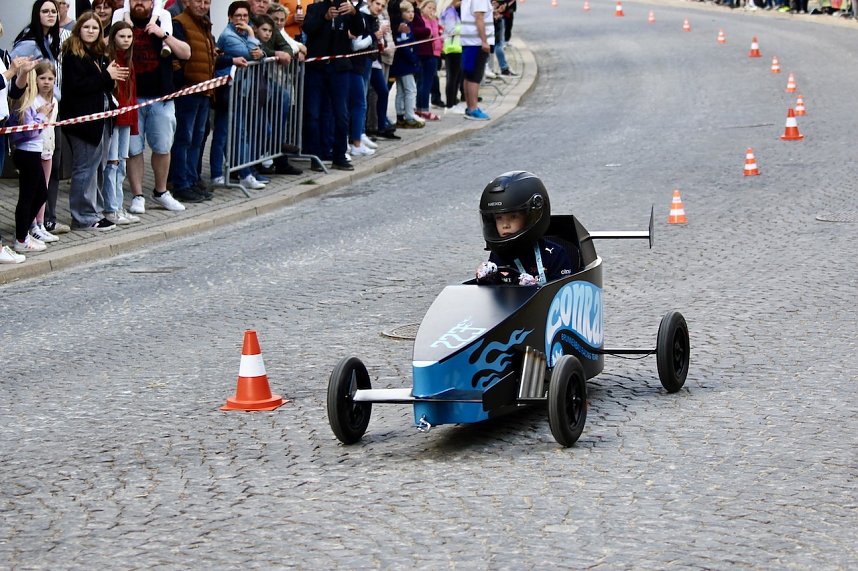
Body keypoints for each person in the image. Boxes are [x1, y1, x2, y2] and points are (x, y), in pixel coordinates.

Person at [59, 11, 128, 230]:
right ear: (79, 29)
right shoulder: (72, 54)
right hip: (83, 122)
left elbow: (104, 84)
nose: (91, 31)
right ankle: (83, 217)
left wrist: (109, 78)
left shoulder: (99, 53)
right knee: (85, 169)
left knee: (97, 167)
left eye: (95, 28)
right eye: (87, 27)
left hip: (103, 119)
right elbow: (78, 87)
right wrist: (107, 76)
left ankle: (94, 211)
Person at [123, 0, 191, 214]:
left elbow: (186, 53)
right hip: (131, 99)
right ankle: (137, 196)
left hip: (161, 98)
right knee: (134, 150)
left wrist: (163, 35)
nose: (140, 3)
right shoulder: (121, 18)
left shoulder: (165, 19)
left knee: (162, 147)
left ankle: (161, 192)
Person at [170, 0, 236, 201]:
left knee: (197, 138)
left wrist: (228, 60)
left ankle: (191, 179)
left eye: (207, 2)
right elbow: (175, 59)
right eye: (198, 1)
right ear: (187, 2)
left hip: (205, 90)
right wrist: (182, 82)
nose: (203, 5)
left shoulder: (204, 23)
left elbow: (209, 56)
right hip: (188, 91)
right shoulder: (179, 22)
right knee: (184, 138)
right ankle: (180, 183)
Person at [475, 171, 575, 286]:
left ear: (530, 217)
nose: (505, 225)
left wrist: (535, 288)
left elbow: (563, 292)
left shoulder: (555, 254)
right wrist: (485, 280)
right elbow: (495, 294)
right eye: (499, 218)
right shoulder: (497, 255)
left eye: (513, 217)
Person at [210, 0, 263, 188]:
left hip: (242, 89)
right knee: (223, 132)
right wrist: (251, 34)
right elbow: (249, 53)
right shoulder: (228, 35)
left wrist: (255, 46)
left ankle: (244, 172)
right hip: (228, 90)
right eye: (238, 16)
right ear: (230, 17)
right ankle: (218, 174)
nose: (242, 19)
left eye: (245, 16)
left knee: (239, 132)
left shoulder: (242, 34)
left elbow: (260, 54)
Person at [303, 0, 360, 170]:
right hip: (316, 69)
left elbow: (361, 30)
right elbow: (308, 28)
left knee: (340, 114)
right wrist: (325, 17)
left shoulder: (347, 10)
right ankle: (315, 155)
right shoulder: (315, 8)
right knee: (313, 113)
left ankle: (339, 155)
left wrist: (354, 13)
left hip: (340, 69)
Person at [8, 60, 55, 253]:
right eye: (42, 78)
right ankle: (21, 238)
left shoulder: (47, 99)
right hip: (26, 151)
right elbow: (28, 131)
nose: (46, 82)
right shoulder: (28, 101)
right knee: (28, 196)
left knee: (40, 194)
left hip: (35, 151)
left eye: (50, 79)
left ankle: (24, 233)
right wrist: (42, 116)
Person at [103, 21, 141, 223]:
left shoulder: (129, 59)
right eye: (121, 36)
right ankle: (111, 208)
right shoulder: (110, 59)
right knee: (112, 163)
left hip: (127, 118)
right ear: (113, 37)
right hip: (114, 119)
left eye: (129, 36)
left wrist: (133, 122)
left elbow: (131, 95)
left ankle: (118, 206)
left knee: (122, 164)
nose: (126, 40)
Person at [390, 0, 422, 128]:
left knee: (402, 91)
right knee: (410, 90)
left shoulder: (406, 25)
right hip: (404, 64)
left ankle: (401, 115)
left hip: (402, 64)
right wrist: (413, 59)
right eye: (407, 12)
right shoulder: (403, 27)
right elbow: (404, 46)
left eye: (412, 11)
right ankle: (409, 116)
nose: (411, 14)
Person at [459, 0, 492, 120]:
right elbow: (479, 18)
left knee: (469, 75)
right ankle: (473, 108)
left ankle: (470, 107)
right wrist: (484, 41)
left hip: (468, 40)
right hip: (476, 42)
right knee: (475, 76)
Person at [412, 0, 441, 121]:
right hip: (424, 53)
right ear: (423, 7)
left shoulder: (434, 20)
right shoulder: (421, 19)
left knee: (428, 82)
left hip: (434, 52)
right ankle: (422, 108)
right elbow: (428, 34)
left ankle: (422, 107)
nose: (431, 11)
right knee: (423, 82)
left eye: (434, 9)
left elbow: (436, 36)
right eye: (429, 8)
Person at [439, 0, 464, 113]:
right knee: (452, 77)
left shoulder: (452, 11)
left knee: (456, 77)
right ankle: (450, 105)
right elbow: (451, 30)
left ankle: (453, 102)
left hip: (456, 46)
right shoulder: (449, 12)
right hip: (452, 47)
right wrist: (465, 28)